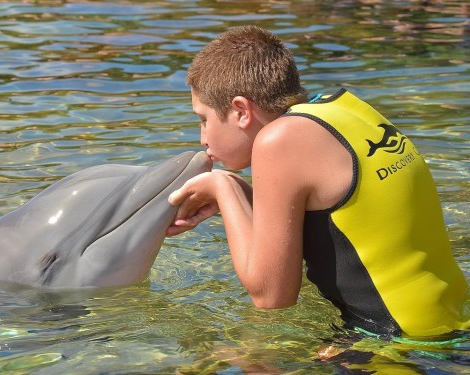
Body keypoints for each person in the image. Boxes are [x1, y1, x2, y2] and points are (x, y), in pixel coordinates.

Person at [166, 25, 468, 338]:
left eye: (204, 119)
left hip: (400, 342)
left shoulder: (278, 140)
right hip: (450, 314)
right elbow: (341, 219)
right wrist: (242, 197)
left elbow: (271, 297)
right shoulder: (341, 109)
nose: (202, 138)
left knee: (250, 362)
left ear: (241, 110)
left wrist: (223, 187)